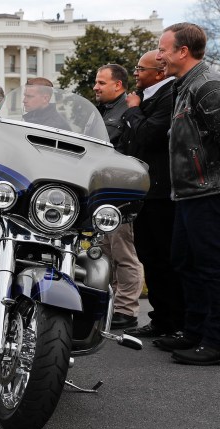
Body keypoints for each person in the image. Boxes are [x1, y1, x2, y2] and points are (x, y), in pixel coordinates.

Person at [152, 23, 220, 365]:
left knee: (211, 267)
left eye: (163, 49)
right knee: (184, 262)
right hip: (187, 194)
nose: (159, 55)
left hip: (208, 193)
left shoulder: (208, 84)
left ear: (182, 51)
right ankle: (194, 330)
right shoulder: (182, 86)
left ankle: (216, 340)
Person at [119, 51, 184, 338]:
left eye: (139, 69)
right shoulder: (146, 98)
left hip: (162, 192)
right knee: (149, 256)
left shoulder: (168, 96)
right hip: (144, 192)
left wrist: (133, 109)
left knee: (165, 258)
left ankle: (175, 322)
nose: (135, 73)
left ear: (158, 73)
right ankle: (161, 319)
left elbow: (150, 136)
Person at [94, 63, 145, 330]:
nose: (96, 87)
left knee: (123, 252)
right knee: (105, 251)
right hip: (103, 192)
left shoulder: (128, 109)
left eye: (102, 83)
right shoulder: (101, 112)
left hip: (122, 193)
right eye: (96, 82)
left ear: (118, 85)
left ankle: (127, 309)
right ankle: (111, 304)